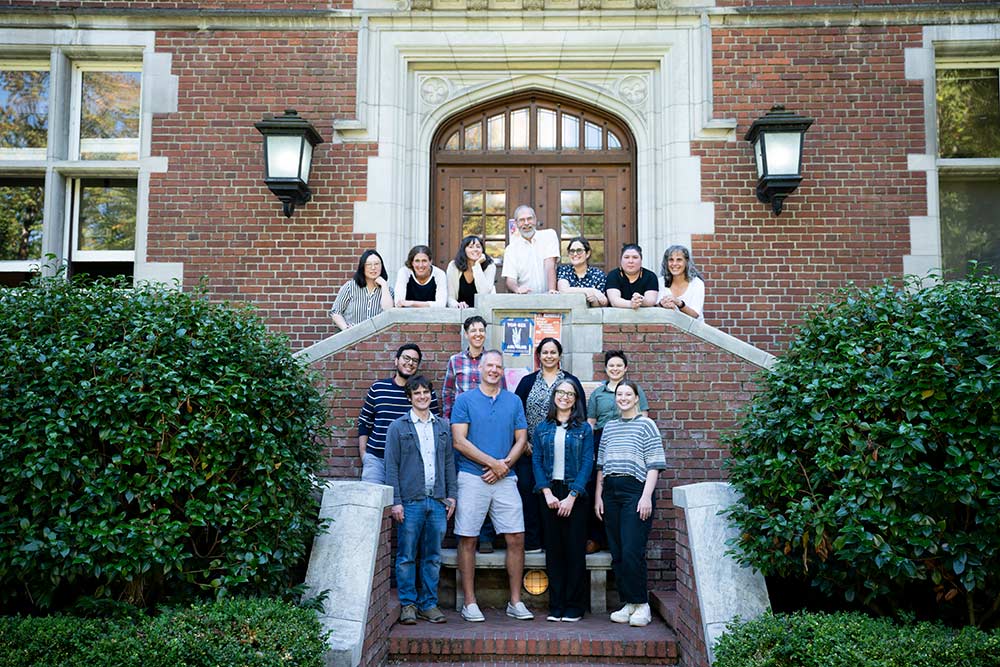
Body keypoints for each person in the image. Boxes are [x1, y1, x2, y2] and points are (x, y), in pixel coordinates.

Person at [450, 350, 533, 623]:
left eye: (499, 366)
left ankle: (515, 601)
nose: (494, 370)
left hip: (506, 478)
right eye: (490, 365)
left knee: (516, 537)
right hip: (472, 477)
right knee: (468, 537)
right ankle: (470, 603)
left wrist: (504, 465)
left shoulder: (514, 401)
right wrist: (492, 464)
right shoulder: (464, 400)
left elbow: (521, 438)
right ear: (480, 369)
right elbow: (459, 441)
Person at [385, 375, 457, 625]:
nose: (423, 396)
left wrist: (451, 496)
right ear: (410, 397)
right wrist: (396, 500)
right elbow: (391, 466)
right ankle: (408, 605)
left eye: (426, 392)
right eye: (417, 393)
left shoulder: (443, 427)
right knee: (406, 556)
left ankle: (429, 604)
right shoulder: (398, 427)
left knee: (432, 556)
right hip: (410, 502)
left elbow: (449, 463)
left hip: (437, 501)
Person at [594, 380, 666, 628]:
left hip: (636, 491)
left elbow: (655, 464)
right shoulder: (610, 427)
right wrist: (597, 497)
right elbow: (601, 465)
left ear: (636, 398)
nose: (623, 398)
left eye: (628, 394)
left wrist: (646, 496)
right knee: (618, 552)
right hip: (611, 492)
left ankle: (642, 605)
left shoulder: (647, 425)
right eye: (619, 394)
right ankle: (629, 603)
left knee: (632, 550)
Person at [442, 315, 506, 553]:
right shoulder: (455, 361)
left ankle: (486, 535)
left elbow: (503, 394)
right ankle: (467, 533)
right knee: (466, 483)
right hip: (462, 431)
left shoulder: (493, 360)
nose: (478, 334)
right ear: (466, 333)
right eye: (473, 330)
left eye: (481, 330)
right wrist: (451, 425)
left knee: (488, 477)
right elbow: (447, 393)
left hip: (488, 429)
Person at [532, 379, 594, 622]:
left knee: (574, 551)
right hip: (549, 493)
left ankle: (574, 606)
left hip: (574, 493)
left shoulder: (583, 429)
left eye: (570, 394)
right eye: (561, 393)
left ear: (576, 399)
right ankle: (556, 605)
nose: (565, 397)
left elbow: (588, 462)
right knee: (554, 552)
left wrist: (572, 495)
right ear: (554, 396)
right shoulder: (542, 428)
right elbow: (536, 460)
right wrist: (546, 492)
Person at [513, 337, 582, 553]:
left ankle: (555, 543)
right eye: (545, 352)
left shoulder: (571, 381)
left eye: (553, 352)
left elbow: (581, 414)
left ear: (560, 355)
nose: (549, 356)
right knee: (528, 488)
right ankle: (533, 542)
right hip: (530, 449)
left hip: (562, 449)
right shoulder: (527, 381)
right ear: (539, 356)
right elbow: (517, 414)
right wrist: (522, 442)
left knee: (555, 493)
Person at [585, 350, 650, 554]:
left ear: (625, 368)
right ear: (606, 369)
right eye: (611, 365)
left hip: (629, 439)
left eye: (619, 365)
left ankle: (623, 538)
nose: (615, 369)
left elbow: (644, 416)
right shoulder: (598, 393)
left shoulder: (634, 390)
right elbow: (591, 423)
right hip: (602, 438)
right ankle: (597, 538)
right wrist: (590, 450)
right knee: (597, 487)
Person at [357, 344, 440, 484]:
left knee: (401, 506)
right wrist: (364, 454)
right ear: (396, 361)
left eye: (415, 360)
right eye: (406, 358)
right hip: (377, 461)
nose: (410, 363)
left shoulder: (424, 394)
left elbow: (434, 426)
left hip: (409, 463)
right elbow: (364, 422)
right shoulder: (378, 389)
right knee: (372, 502)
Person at [330, 249, 394, 330]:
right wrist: (346, 328)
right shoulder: (350, 287)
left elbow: (389, 311)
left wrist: (384, 285)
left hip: (376, 339)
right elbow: (335, 312)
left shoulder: (388, 290)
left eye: (377, 264)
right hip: (351, 336)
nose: (373, 268)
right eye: (369, 264)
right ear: (362, 267)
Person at [502, 205, 559, 294]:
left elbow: (550, 265)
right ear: (516, 223)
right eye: (522, 220)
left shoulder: (549, 235)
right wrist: (517, 289)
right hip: (524, 300)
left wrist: (552, 290)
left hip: (548, 297)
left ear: (535, 220)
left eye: (529, 218)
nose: (526, 223)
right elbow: (510, 279)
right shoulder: (511, 249)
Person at [446, 235, 497, 308]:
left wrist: (477, 265)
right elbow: (450, 297)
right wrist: (456, 305)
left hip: (483, 311)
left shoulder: (490, 266)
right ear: (464, 250)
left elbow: (485, 294)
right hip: (459, 311)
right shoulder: (454, 266)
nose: (475, 249)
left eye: (478, 247)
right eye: (471, 247)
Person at [658, 244, 705, 321]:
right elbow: (655, 309)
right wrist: (661, 304)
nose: (674, 264)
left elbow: (695, 315)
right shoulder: (660, 282)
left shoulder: (697, 283)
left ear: (687, 262)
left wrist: (679, 303)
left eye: (679, 260)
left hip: (694, 330)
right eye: (671, 260)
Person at [557, 236, 608, 307]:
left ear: (587, 253)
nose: (575, 254)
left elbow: (603, 302)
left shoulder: (598, 274)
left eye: (579, 250)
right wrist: (592, 291)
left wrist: (594, 301)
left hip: (590, 316)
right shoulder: (564, 270)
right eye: (572, 251)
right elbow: (564, 290)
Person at [605, 244, 659, 310]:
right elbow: (614, 301)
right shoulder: (613, 275)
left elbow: (651, 300)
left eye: (635, 257)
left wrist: (640, 300)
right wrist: (631, 303)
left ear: (641, 260)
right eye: (626, 257)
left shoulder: (650, 276)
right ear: (621, 260)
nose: (630, 261)